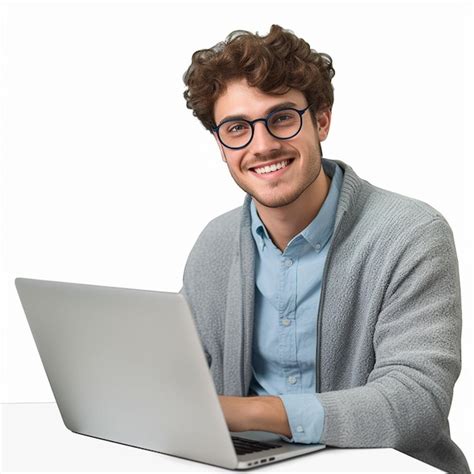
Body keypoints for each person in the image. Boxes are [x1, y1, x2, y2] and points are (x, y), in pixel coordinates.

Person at [179, 24, 470, 473]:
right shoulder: (213, 246)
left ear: (321, 120)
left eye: (281, 118)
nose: (262, 145)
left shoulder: (410, 233)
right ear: (220, 144)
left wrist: (245, 412)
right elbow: (180, 383)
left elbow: (417, 400)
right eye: (237, 128)